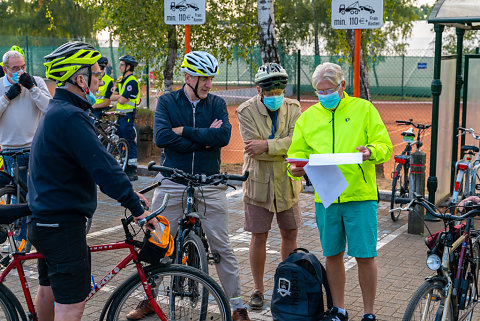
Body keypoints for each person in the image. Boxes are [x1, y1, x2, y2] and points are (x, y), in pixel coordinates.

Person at [27, 41, 155, 321]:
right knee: (72, 304)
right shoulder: (71, 116)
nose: (101, 81)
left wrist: (131, 193)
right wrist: (138, 209)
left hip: (46, 220)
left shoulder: (58, 110)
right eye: (96, 75)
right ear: (81, 78)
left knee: (48, 289)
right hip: (62, 225)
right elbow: (104, 168)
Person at [125, 51, 250, 321]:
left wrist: (183, 131)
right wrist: (205, 139)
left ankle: (238, 308)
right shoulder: (168, 101)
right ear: (188, 77)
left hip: (208, 182)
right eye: (203, 78)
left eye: (211, 78)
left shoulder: (216, 103)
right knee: (156, 240)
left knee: (222, 247)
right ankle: (149, 299)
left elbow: (223, 136)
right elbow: (161, 138)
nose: (208, 84)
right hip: (172, 179)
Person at [287, 62, 392, 321]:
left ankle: (369, 313)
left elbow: (384, 146)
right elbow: (297, 152)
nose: (323, 96)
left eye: (328, 89)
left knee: (365, 256)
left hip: (360, 196)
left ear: (342, 86)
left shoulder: (363, 109)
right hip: (327, 195)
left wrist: (370, 152)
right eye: (319, 92)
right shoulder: (308, 117)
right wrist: (296, 168)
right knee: (332, 254)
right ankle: (339, 309)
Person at [236, 62, 303, 310]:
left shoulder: (294, 108)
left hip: (287, 182)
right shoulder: (245, 111)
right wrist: (276, 146)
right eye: (270, 91)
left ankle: (286, 285)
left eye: (279, 91)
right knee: (259, 236)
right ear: (259, 90)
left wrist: (267, 145)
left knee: (290, 234)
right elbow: (253, 150)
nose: (275, 95)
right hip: (258, 185)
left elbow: (297, 143)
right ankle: (258, 289)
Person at [0, 47, 51, 248]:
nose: (20, 72)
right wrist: (6, 98)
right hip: (8, 150)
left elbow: (50, 108)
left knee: (31, 193)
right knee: (16, 194)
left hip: (33, 148)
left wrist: (32, 88)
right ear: (5, 69)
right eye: (15, 68)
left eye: (22, 67)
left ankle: (26, 236)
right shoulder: (0, 85)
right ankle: (15, 233)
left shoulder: (36, 82)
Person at [110, 55, 140, 181]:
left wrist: (119, 96)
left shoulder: (131, 81)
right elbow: (111, 96)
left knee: (128, 140)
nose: (119, 67)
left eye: (122, 65)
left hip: (127, 115)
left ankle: (132, 170)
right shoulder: (122, 80)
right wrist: (119, 96)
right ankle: (124, 165)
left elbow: (122, 100)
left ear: (128, 67)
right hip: (120, 115)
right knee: (121, 140)